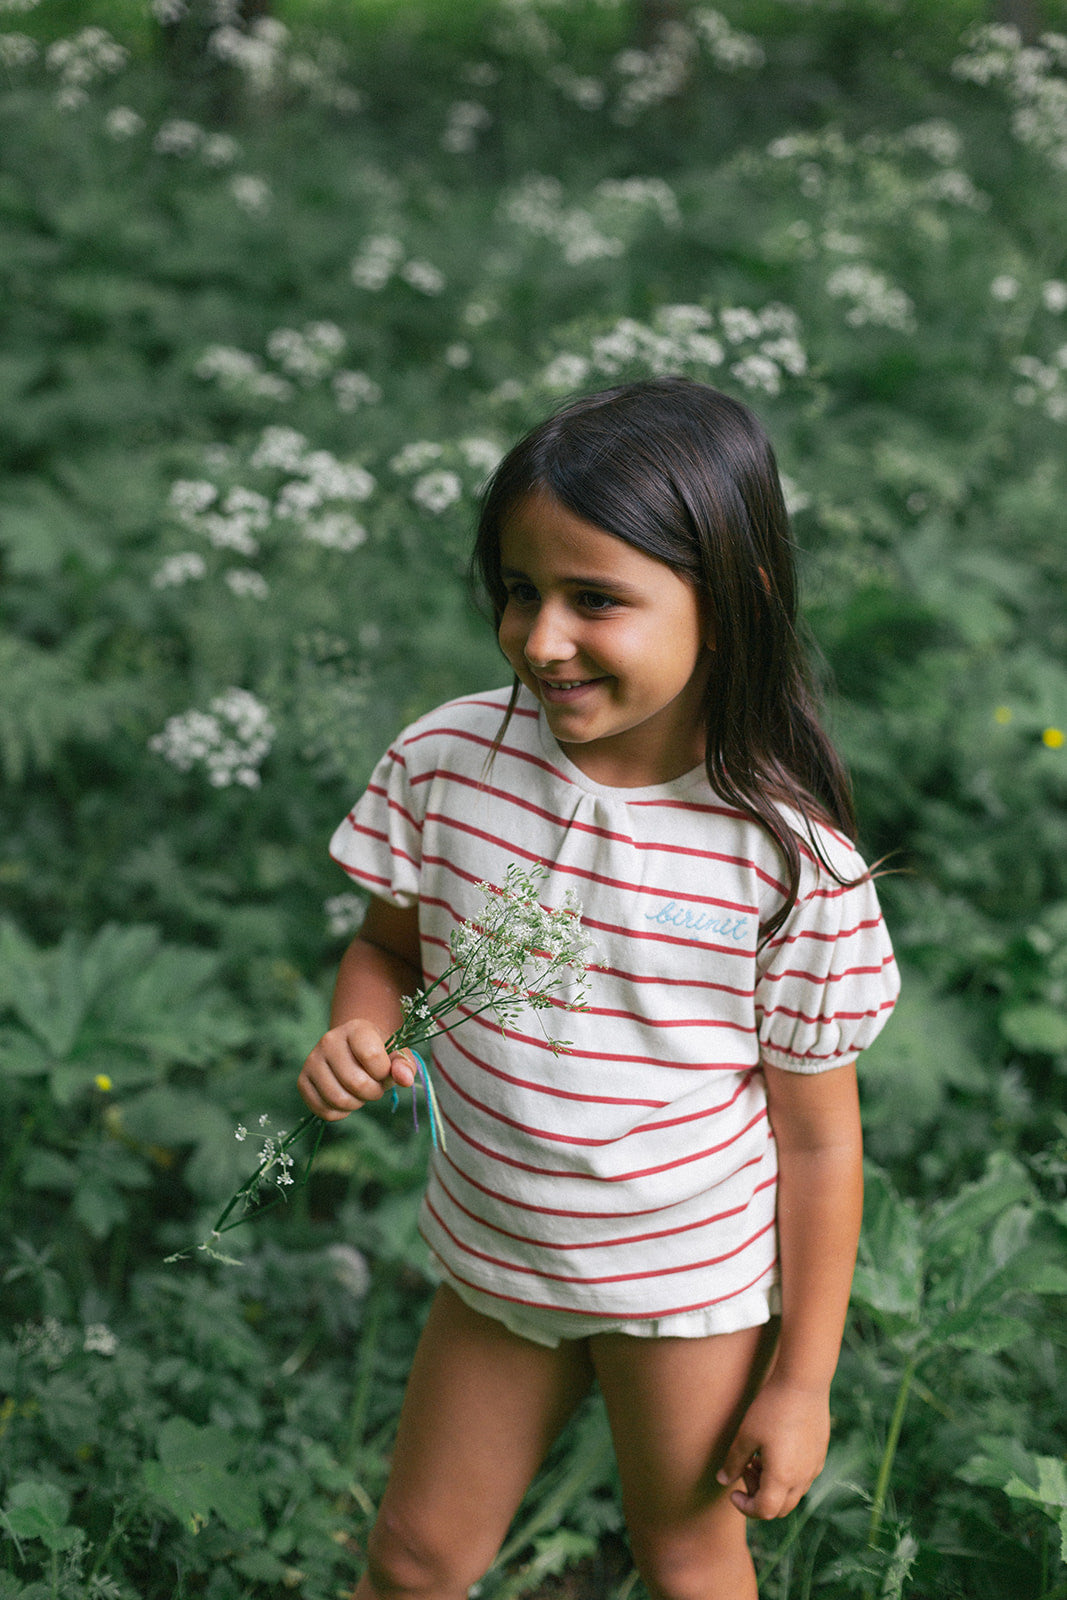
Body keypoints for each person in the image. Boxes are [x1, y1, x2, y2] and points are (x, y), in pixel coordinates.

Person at [298, 377, 899, 1600]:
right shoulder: (449, 761)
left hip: (684, 1287)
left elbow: (820, 1144)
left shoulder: (782, 861)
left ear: (728, 606)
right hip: (497, 1254)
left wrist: (799, 1378)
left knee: (684, 1556)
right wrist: (356, 1027)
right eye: (520, 590)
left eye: (595, 600)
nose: (540, 638)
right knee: (411, 1559)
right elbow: (386, 945)